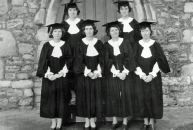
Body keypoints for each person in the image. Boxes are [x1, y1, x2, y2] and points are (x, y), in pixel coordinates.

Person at [134, 22, 170, 130]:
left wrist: (151, 75)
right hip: (141, 77)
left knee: (153, 98)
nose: (145, 33)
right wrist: (142, 75)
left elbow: (159, 61)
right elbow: (134, 62)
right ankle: (145, 122)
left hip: (153, 77)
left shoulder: (155, 45)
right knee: (143, 98)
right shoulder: (137, 45)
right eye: (142, 31)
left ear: (150, 32)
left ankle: (151, 122)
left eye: (147, 30)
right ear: (140, 33)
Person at [36, 23, 72, 130]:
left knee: (61, 99)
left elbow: (69, 60)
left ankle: (59, 123)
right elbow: (43, 61)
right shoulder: (46, 45)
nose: (57, 33)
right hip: (50, 77)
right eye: (55, 31)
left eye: (60, 31)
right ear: (51, 33)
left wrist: (61, 73)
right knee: (51, 100)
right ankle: (53, 122)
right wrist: (48, 74)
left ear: (62, 33)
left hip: (62, 76)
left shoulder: (66, 45)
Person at [103, 21, 136, 130]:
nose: (114, 32)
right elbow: (106, 60)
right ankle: (115, 120)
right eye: (112, 30)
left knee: (125, 96)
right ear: (109, 32)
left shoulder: (125, 42)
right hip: (113, 74)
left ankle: (125, 121)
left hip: (125, 74)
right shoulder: (106, 45)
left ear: (119, 31)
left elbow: (130, 58)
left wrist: (124, 72)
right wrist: (116, 73)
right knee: (113, 96)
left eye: (116, 30)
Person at [74, 19, 104, 130]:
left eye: (91, 28)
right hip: (84, 75)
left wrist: (96, 72)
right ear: (83, 31)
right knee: (85, 97)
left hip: (96, 75)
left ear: (94, 30)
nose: (89, 31)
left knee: (95, 97)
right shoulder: (79, 44)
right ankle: (87, 120)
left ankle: (93, 120)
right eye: (86, 29)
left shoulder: (99, 43)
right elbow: (77, 61)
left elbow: (102, 59)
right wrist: (88, 72)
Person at [61, 1, 84, 98]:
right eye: (70, 10)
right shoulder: (64, 24)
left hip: (80, 52)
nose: (72, 12)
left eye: (74, 10)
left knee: (79, 73)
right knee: (68, 74)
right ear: (67, 12)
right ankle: (71, 97)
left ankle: (81, 98)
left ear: (77, 11)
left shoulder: (82, 23)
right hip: (68, 53)